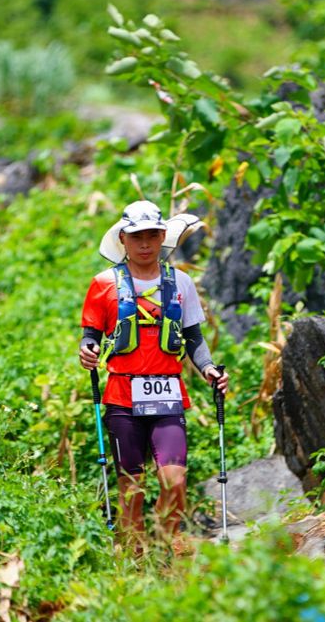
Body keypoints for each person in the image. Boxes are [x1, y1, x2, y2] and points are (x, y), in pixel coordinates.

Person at [79, 200, 228, 552]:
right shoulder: (103, 284)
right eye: (137, 237)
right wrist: (87, 350)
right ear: (123, 239)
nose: (145, 244)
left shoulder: (181, 283)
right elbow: (90, 335)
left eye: (151, 235)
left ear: (163, 236)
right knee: (131, 488)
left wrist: (208, 368)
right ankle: (133, 560)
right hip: (122, 396)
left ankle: (164, 546)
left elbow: (193, 338)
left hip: (168, 395)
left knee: (174, 481)